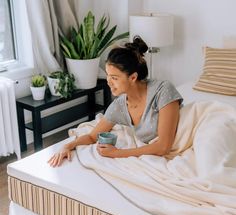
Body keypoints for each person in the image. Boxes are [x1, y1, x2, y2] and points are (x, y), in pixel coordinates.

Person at [48, 36, 183, 167]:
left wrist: (117, 153)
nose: (108, 82)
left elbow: (164, 147)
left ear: (133, 77)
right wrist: (67, 146)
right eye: (108, 75)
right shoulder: (119, 106)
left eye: (114, 78)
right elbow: (92, 137)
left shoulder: (163, 90)